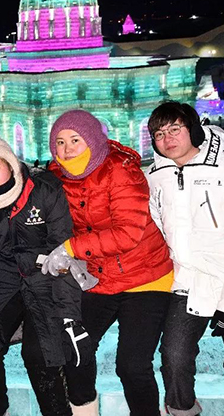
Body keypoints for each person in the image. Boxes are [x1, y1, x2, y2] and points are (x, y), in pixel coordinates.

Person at [146, 101, 224, 416]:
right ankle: (183, 411)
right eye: (159, 134)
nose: (167, 139)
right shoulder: (156, 177)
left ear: (193, 130)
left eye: (175, 129)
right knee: (173, 361)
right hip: (188, 283)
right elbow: (155, 227)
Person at [45, 109, 173, 416]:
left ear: (91, 139)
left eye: (75, 140)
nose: (67, 149)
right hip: (99, 280)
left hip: (145, 278)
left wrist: (70, 247)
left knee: (132, 365)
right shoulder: (55, 178)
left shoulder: (121, 170)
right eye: (60, 142)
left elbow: (128, 233)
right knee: (73, 348)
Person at [0, 133, 93, 416]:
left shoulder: (44, 190)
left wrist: (69, 315)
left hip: (46, 278)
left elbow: (65, 254)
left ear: (9, 164)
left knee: (41, 353)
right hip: (5, 283)